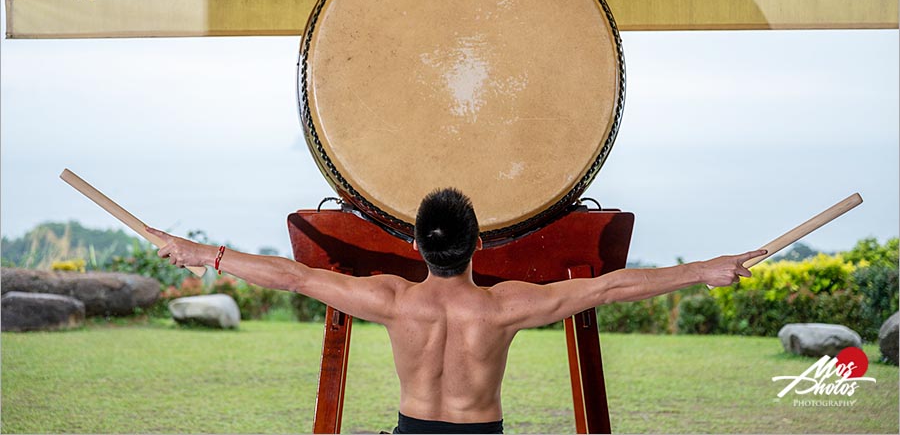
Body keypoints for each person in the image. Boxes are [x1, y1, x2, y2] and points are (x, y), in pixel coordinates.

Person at [151, 187, 765, 434]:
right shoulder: (504, 308)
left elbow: (295, 278)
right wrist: (706, 268)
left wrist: (202, 253)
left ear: (416, 245)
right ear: (479, 244)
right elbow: (612, 287)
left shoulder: (390, 301)